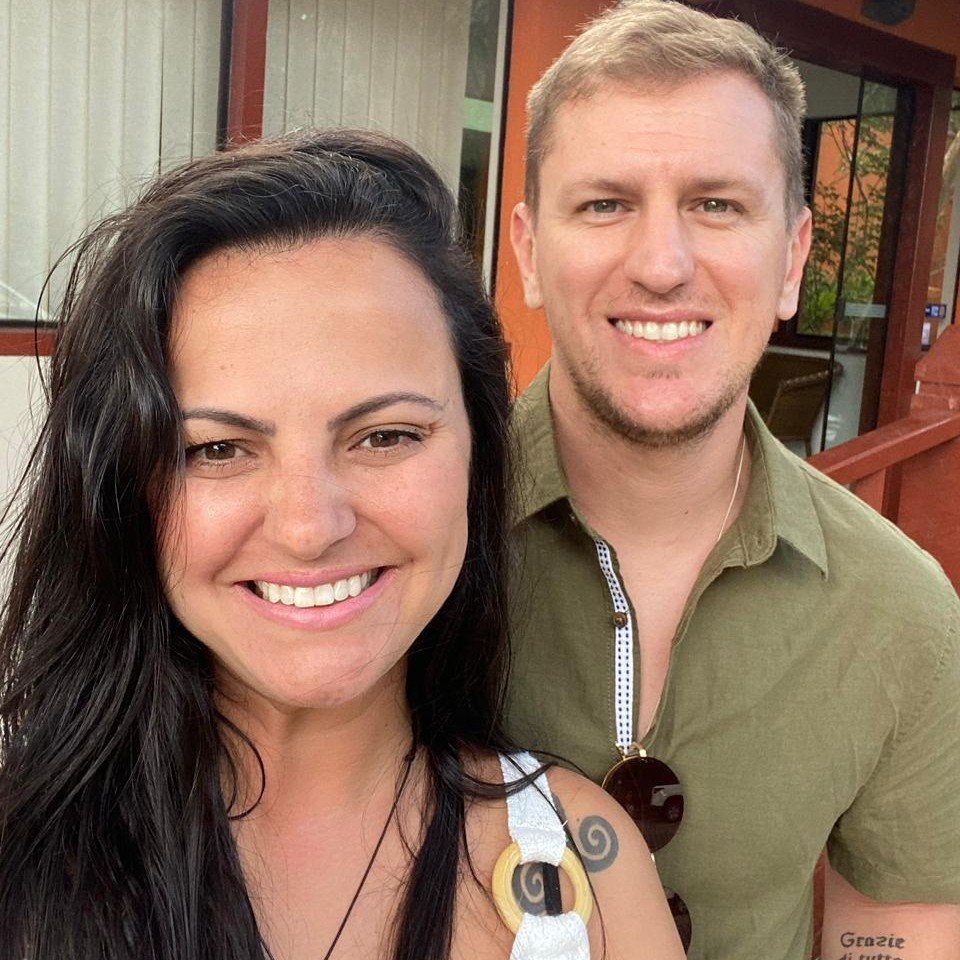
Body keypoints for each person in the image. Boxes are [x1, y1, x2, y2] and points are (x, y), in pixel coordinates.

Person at [0, 130, 683, 960]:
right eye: (218, 449)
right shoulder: (22, 864)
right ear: (124, 490)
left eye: (386, 436)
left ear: (478, 455)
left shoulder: (590, 870)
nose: (308, 527)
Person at [505, 2, 960, 958]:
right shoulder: (398, 546)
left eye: (716, 205)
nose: (661, 266)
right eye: (605, 204)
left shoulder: (900, 614)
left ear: (792, 260)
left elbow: (894, 931)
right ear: (529, 251)